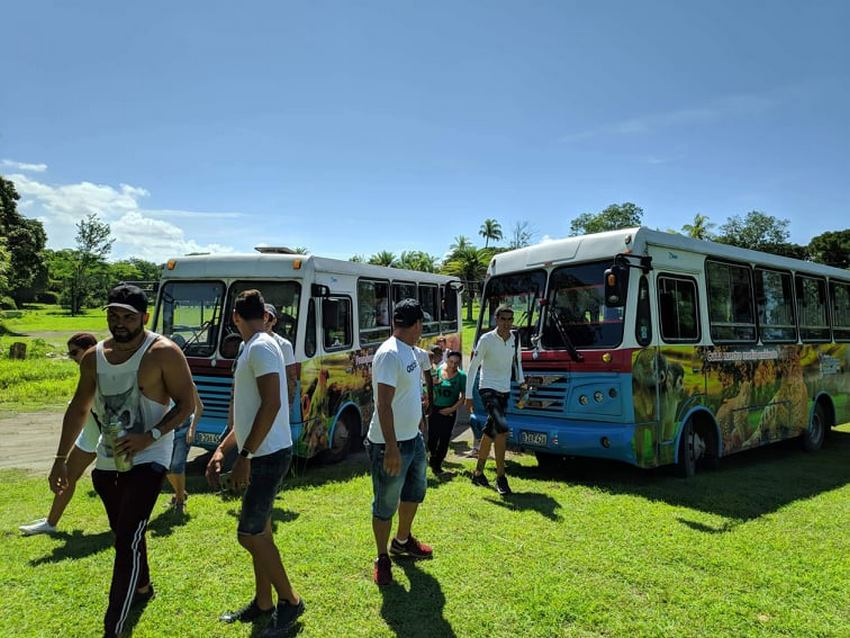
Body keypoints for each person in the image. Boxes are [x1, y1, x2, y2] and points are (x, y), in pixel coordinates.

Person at [48, 284, 195, 638]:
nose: (120, 323)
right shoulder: (93, 357)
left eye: (128, 316)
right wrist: (60, 459)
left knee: (127, 538)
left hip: (150, 457)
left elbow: (187, 405)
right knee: (126, 532)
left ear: (144, 317)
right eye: (113, 315)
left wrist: (151, 436)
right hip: (108, 463)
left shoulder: (164, 353)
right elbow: (79, 408)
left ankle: (113, 627)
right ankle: (143, 586)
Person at [206, 289, 303, 637]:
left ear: (234, 317)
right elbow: (247, 414)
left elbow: (272, 404)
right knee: (260, 530)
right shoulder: (255, 346)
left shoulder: (260, 347)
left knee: (248, 534)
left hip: (267, 455)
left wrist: (244, 457)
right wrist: (222, 449)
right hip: (261, 451)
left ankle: (290, 601)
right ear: (263, 314)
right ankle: (264, 602)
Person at [366, 298, 433, 587]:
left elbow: (407, 396)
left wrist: (418, 424)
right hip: (389, 444)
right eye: (422, 324)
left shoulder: (410, 352)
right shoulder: (390, 354)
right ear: (416, 324)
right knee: (385, 504)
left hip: (413, 440)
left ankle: (402, 541)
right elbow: (383, 404)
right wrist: (391, 447)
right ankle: (382, 557)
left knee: (414, 492)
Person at [19, 333, 99, 536]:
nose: (72, 358)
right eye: (70, 353)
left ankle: (178, 496)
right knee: (68, 476)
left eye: (75, 353)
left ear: (90, 348)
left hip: (109, 433)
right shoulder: (86, 369)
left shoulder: (106, 366)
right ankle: (51, 523)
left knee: (151, 472)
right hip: (92, 432)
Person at [465, 304, 525, 496]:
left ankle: (478, 473)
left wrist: (522, 383)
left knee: (491, 432)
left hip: (504, 390)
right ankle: (501, 477)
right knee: (502, 429)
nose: (506, 323)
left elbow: (518, 362)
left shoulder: (515, 338)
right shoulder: (486, 339)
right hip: (487, 388)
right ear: (496, 319)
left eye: (509, 319)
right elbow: (473, 367)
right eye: (503, 319)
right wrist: (468, 395)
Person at [165, 384, 204, 515]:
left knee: (177, 465)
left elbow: (199, 407)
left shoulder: (189, 384)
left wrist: (192, 429)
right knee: (166, 467)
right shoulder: (162, 385)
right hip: (167, 430)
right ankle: (180, 493)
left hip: (184, 429)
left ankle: (180, 501)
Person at [428, 350, 466, 477]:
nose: (453, 365)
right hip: (435, 408)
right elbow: (428, 387)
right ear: (446, 360)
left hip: (449, 411)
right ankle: (432, 458)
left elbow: (463, 397)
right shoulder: (438, 371)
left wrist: (451, 409)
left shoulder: (461, 376)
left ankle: (437, 465)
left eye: (456, 363)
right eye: (451, 362)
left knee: (444, 438)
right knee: (432, 437)